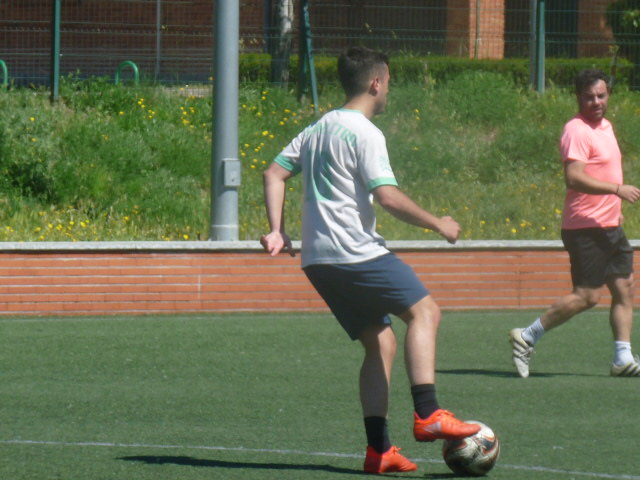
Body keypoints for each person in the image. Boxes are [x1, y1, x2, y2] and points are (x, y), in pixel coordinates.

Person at [261, 46, 480, 475]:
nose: (389, 91)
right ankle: (429, 412)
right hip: (355, 252)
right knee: (425, 312)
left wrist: (277, 229)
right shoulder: (365, 132)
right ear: (376, 83)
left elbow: (274, 172)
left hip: (318, 260)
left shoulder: (318, 128)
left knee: (381, 342)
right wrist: (439, 223)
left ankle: (379, 450)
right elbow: (387, 196)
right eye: (389, 83)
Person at [510, 68, 640, 378]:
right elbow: (574, 177)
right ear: (578, 98)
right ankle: (527, 335)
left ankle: (622, 358)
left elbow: (605, 169)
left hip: (609, 224)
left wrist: (615, 207)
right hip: (585, 228)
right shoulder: (576, 130)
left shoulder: (606, 127)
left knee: (624, 288)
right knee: (587, 296)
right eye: (589, 97)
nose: (596, 102)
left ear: (608, 95)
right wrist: (617, 190)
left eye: (601, 95)